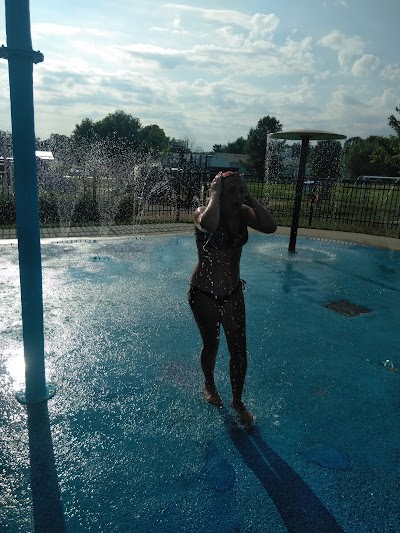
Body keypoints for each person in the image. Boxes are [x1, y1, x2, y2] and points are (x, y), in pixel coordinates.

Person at [188, 171, 277, 424]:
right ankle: (209, 384)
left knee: (239, 349)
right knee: (212, 344)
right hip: (204, 294)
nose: (239, 196)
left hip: (233, 294)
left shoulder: (244, 214)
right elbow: (209, 225)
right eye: (234, 191)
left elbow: (270, 227)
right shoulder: (201, 212)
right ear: (218, 192)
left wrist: (249, 197)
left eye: (242, 190)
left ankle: (237, 400)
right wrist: (214, 196)